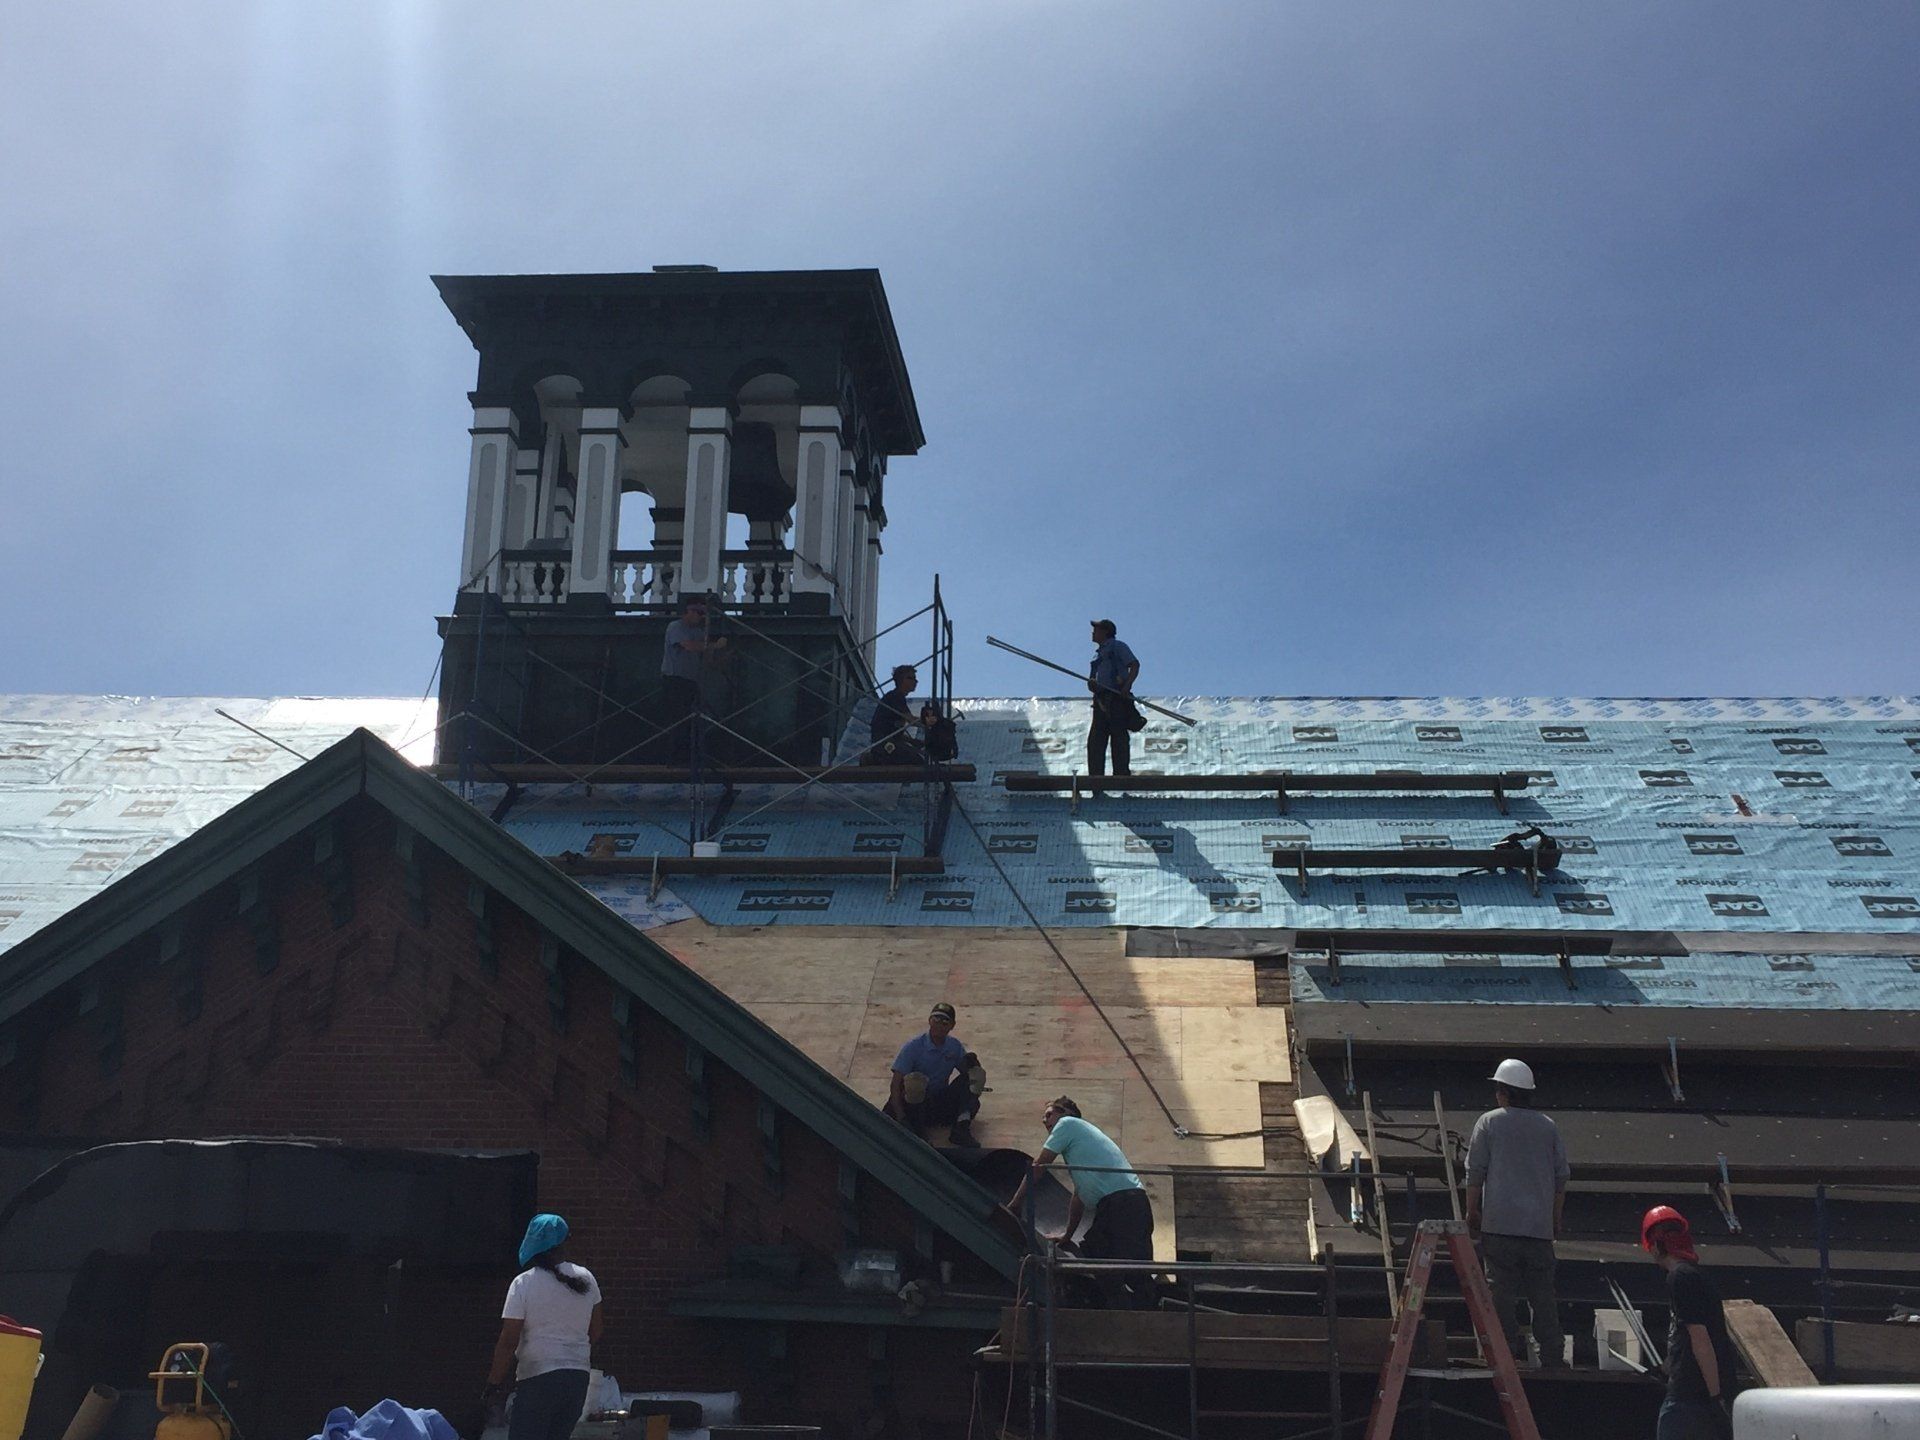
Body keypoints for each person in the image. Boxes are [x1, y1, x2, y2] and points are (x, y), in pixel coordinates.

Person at [1465, 1057, 1570, 1368]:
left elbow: (1475, 1172)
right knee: (1543, 1296)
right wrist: (1555, 1217)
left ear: (1504, 1092)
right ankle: (1552, 1355)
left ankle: (1502, 1354)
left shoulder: (1489, 1122)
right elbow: (1561, 1177)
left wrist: (1472, 1211)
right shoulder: (1547, 1127)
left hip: (1499, 1227)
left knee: (1499, 1294)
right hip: (1538, 1230)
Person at [1006, 1096, 1155, 1307]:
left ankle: (1125, 1312)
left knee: (1100, 1251)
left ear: (1066, 1113)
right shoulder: (1084, 1148)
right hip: (1133, 1204)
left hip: (1120, 1204)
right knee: (1133, 1267)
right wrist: (1067, 1235)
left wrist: (1016, 1202)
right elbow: (1079, 1196)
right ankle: (1136, 1311)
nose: (1044, 1120)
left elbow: (1039, 1166)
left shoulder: (1067, 1124)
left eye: (1049, 1114)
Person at [486, 1213, 604, 1440]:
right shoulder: (587, 1278)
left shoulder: (523, 1283)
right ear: (564, 1242)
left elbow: (509, 1340)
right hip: (577, 1379)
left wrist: (494, 1382)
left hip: (539, 1379)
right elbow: (596, 1330)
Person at [1643, 1206, 1736, 1439]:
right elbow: (1684, 1336)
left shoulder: (1680, 1278)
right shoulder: (1695, 1277)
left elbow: (1699, 1337)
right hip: (1698, 1391)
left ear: (1654, 1246)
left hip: (1690, 1396)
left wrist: (1715, 1398)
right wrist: (1666, 1368)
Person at [885, 1002, 983, 1146]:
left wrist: (974, 1068)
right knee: (915, 1082)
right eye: (936, 1020)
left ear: (952, 1026)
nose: (939, 1025)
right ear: (929, 1021)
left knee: (975, 1076)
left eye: (945, 1022)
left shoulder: (953, 1046)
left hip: (938, 1102)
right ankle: (917, 1131)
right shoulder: (914, 1047)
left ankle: (960, 1129)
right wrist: (901, 1117)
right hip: (914, 1104)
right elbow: (895, 1084)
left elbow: (969, 1076)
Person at [659, 595, 727, 764]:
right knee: (679, 721)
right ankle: (674, 761)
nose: (699, 616)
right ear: (686, 611)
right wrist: (714, 645)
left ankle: (689, 759)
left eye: (702, 613)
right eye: (696, 612)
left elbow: (708, 661)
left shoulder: (699, 633)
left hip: (691, 682)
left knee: (692, 723)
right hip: (674, 680)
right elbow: (688, 646)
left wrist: (724, 656)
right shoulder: (676, 626)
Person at [1086, 620, 1140, 779]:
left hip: (1116, 699)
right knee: (1096, 742)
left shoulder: (1117, 646)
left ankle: (1121, 777)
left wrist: (1126, 686)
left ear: (1105, 631)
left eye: (1096, 630)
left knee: (1119, 739)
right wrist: (1092, 684)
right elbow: (1095, 679)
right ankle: (1096, 780)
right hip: (1100, 700)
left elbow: (1135, 665)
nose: (1092, 633)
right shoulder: (1097, 654)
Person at [866, 665, 925, 765]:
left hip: (885, 744)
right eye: (910, 678)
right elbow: (911, 720)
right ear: (901, 680)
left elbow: (892, 730)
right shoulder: (896, 697)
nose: (915, 681)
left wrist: (911, 741)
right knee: (916, 761)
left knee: (916, 758)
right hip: (885, 745)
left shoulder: (895, 697)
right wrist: (932, 723)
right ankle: (873, 759)